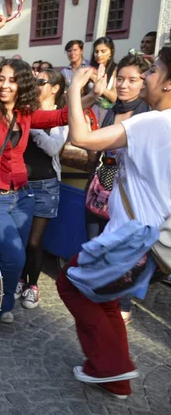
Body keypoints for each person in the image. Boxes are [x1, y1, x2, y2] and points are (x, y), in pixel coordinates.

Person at [57, 46, 171, 400]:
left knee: (71, 283)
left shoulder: (152, 122)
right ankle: (116, 370)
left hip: (131, 236)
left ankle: (111, 369)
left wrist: (75, 88)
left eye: (153, 71)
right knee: (104, 297)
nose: (148, 78)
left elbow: (81, 138)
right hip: (142, 236)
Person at [0, 17, 75, 324]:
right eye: (1, 78)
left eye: (11, 80)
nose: (3, 84)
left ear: (23, 85)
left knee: (9, 257)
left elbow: (61, 116)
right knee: (13, 255)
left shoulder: (27, 114)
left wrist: (85, 92)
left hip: (23, 197)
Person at [83, 53, 152, 324]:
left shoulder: (149, 114)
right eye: (120, 79)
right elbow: (98, 148)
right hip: (101, 189)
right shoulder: (112, 109)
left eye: (132, 80)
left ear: (144, 83)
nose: (124, 85)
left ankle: (122, 307)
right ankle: (97, 301)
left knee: (123, 254)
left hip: (130, 195)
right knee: (94, 247)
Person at [17, 69, 68, 309]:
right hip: (22, 184)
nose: (37, 85)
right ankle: (18, 279)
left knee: (35, 242)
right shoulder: (26, 110)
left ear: (55, 88)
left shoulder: (59, 116)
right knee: (20, 237)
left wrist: (33, 127)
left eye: (42, 81)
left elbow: (53, 148)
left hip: (46, 186)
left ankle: (33, 286)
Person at [90, 36, 118, 124]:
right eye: (96, 51)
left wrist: (97, 82)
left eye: (103, 51)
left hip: (105, 113)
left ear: (111, 52)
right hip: (87, 111)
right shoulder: (89, 70)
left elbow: (114, 97)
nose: (99, 55)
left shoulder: (115, 70)